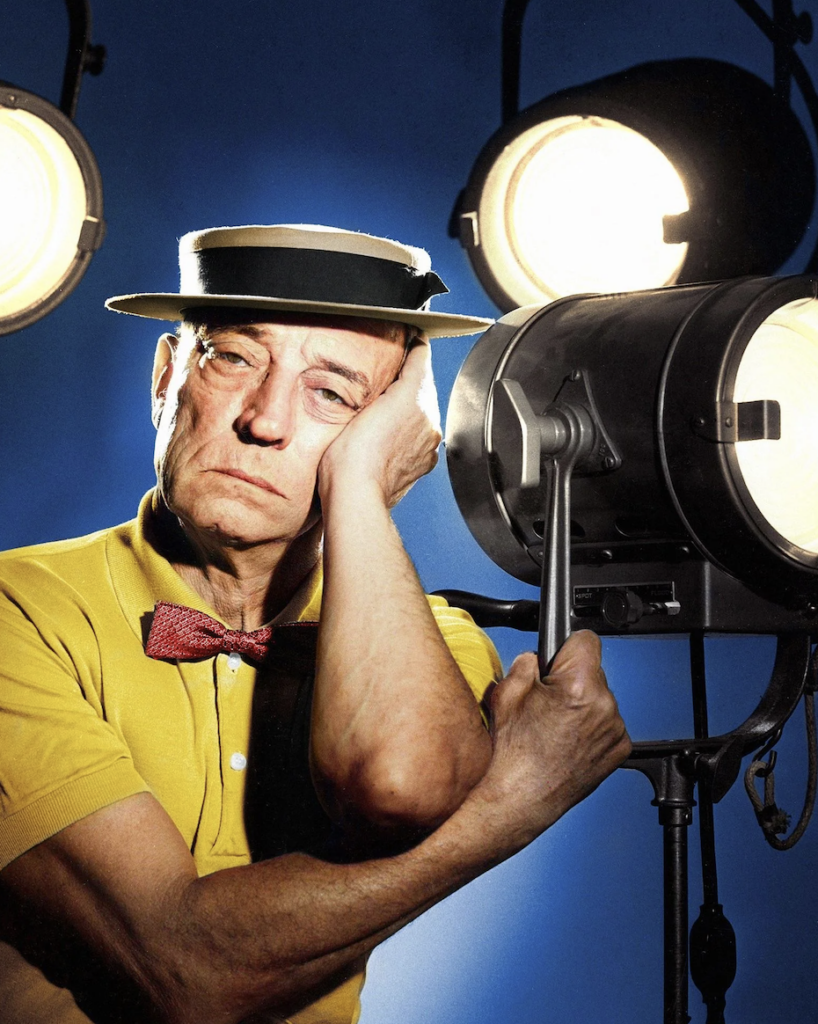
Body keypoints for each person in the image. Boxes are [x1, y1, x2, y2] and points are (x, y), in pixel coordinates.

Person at [0, 224, 631, 1024]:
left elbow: (401, 783)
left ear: (397, 441)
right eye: (233, 358)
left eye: (331, 394)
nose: (264, 420)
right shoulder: (15, 609)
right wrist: (511, 806)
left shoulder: (431, 648)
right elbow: (180, 973)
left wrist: (359, 491)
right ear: (166, 378)